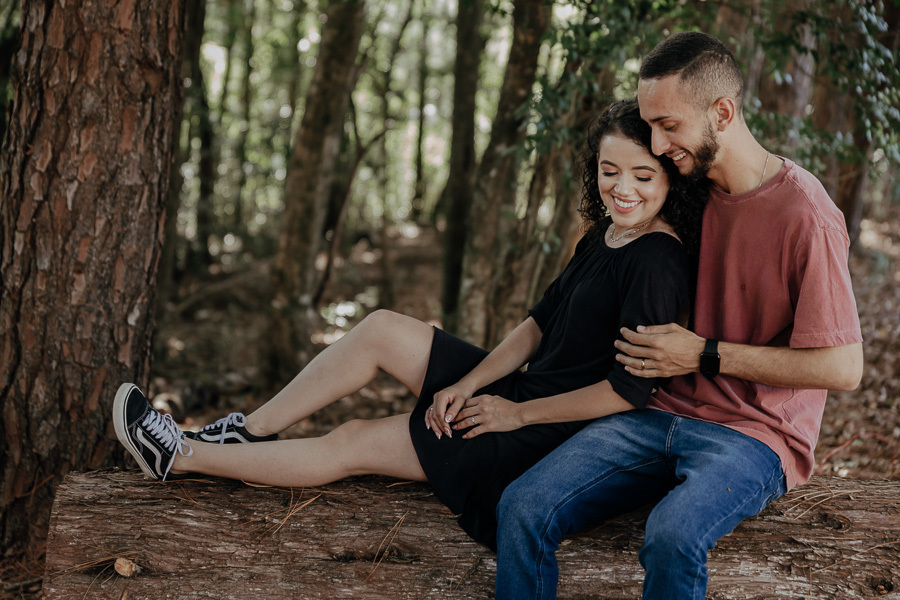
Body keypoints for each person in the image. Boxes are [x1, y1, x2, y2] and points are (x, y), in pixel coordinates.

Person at [113, 98, 705, 550]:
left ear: (669, 179)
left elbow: (629, 393)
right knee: (378, 330)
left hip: (546, 439)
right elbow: (535, 328)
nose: (621, 188)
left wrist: (512, 413)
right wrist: (470, 383)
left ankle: (181, 455)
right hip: (519, 395)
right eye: (609, 171)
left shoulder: (656, 261)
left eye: (642, 176)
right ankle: (248, 430)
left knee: (351, 440)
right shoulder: (605, 237)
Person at [494, 32, 864, 599]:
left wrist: (705, 353)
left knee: (670, 533)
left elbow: (843, 368)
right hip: (657, 412)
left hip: (753, 435)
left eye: (669, 126)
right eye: (651, 127)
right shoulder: (686, 193)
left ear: (723, 111)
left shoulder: (805, 213)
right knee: (522, 505)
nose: (659, 145)